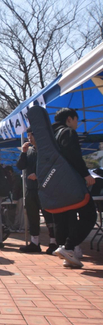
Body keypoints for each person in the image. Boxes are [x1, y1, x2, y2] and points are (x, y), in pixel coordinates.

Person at [51, 108, 97, 268]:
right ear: (69, 119)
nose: (77, 124)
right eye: (77, 120)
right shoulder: (67, 132)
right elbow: (73, 155)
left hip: (55, 184)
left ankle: (66, 253)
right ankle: (68, 248)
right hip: (71, 182)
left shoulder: (49, 136)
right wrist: (86, 175)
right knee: (89, 214)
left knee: (62, 218)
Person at [17, 128, 57, 253]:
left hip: (44, 188)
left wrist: (38, 176)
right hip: (30, 188)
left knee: (48, 216)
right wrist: (23, 152)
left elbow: (52, 168)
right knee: (32, 216)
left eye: (31, 135)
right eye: (28, 135)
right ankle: (35, 242)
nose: (29, 138)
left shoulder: (46, 150)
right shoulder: (29, 151)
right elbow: (20, 166)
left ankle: (53, 242)